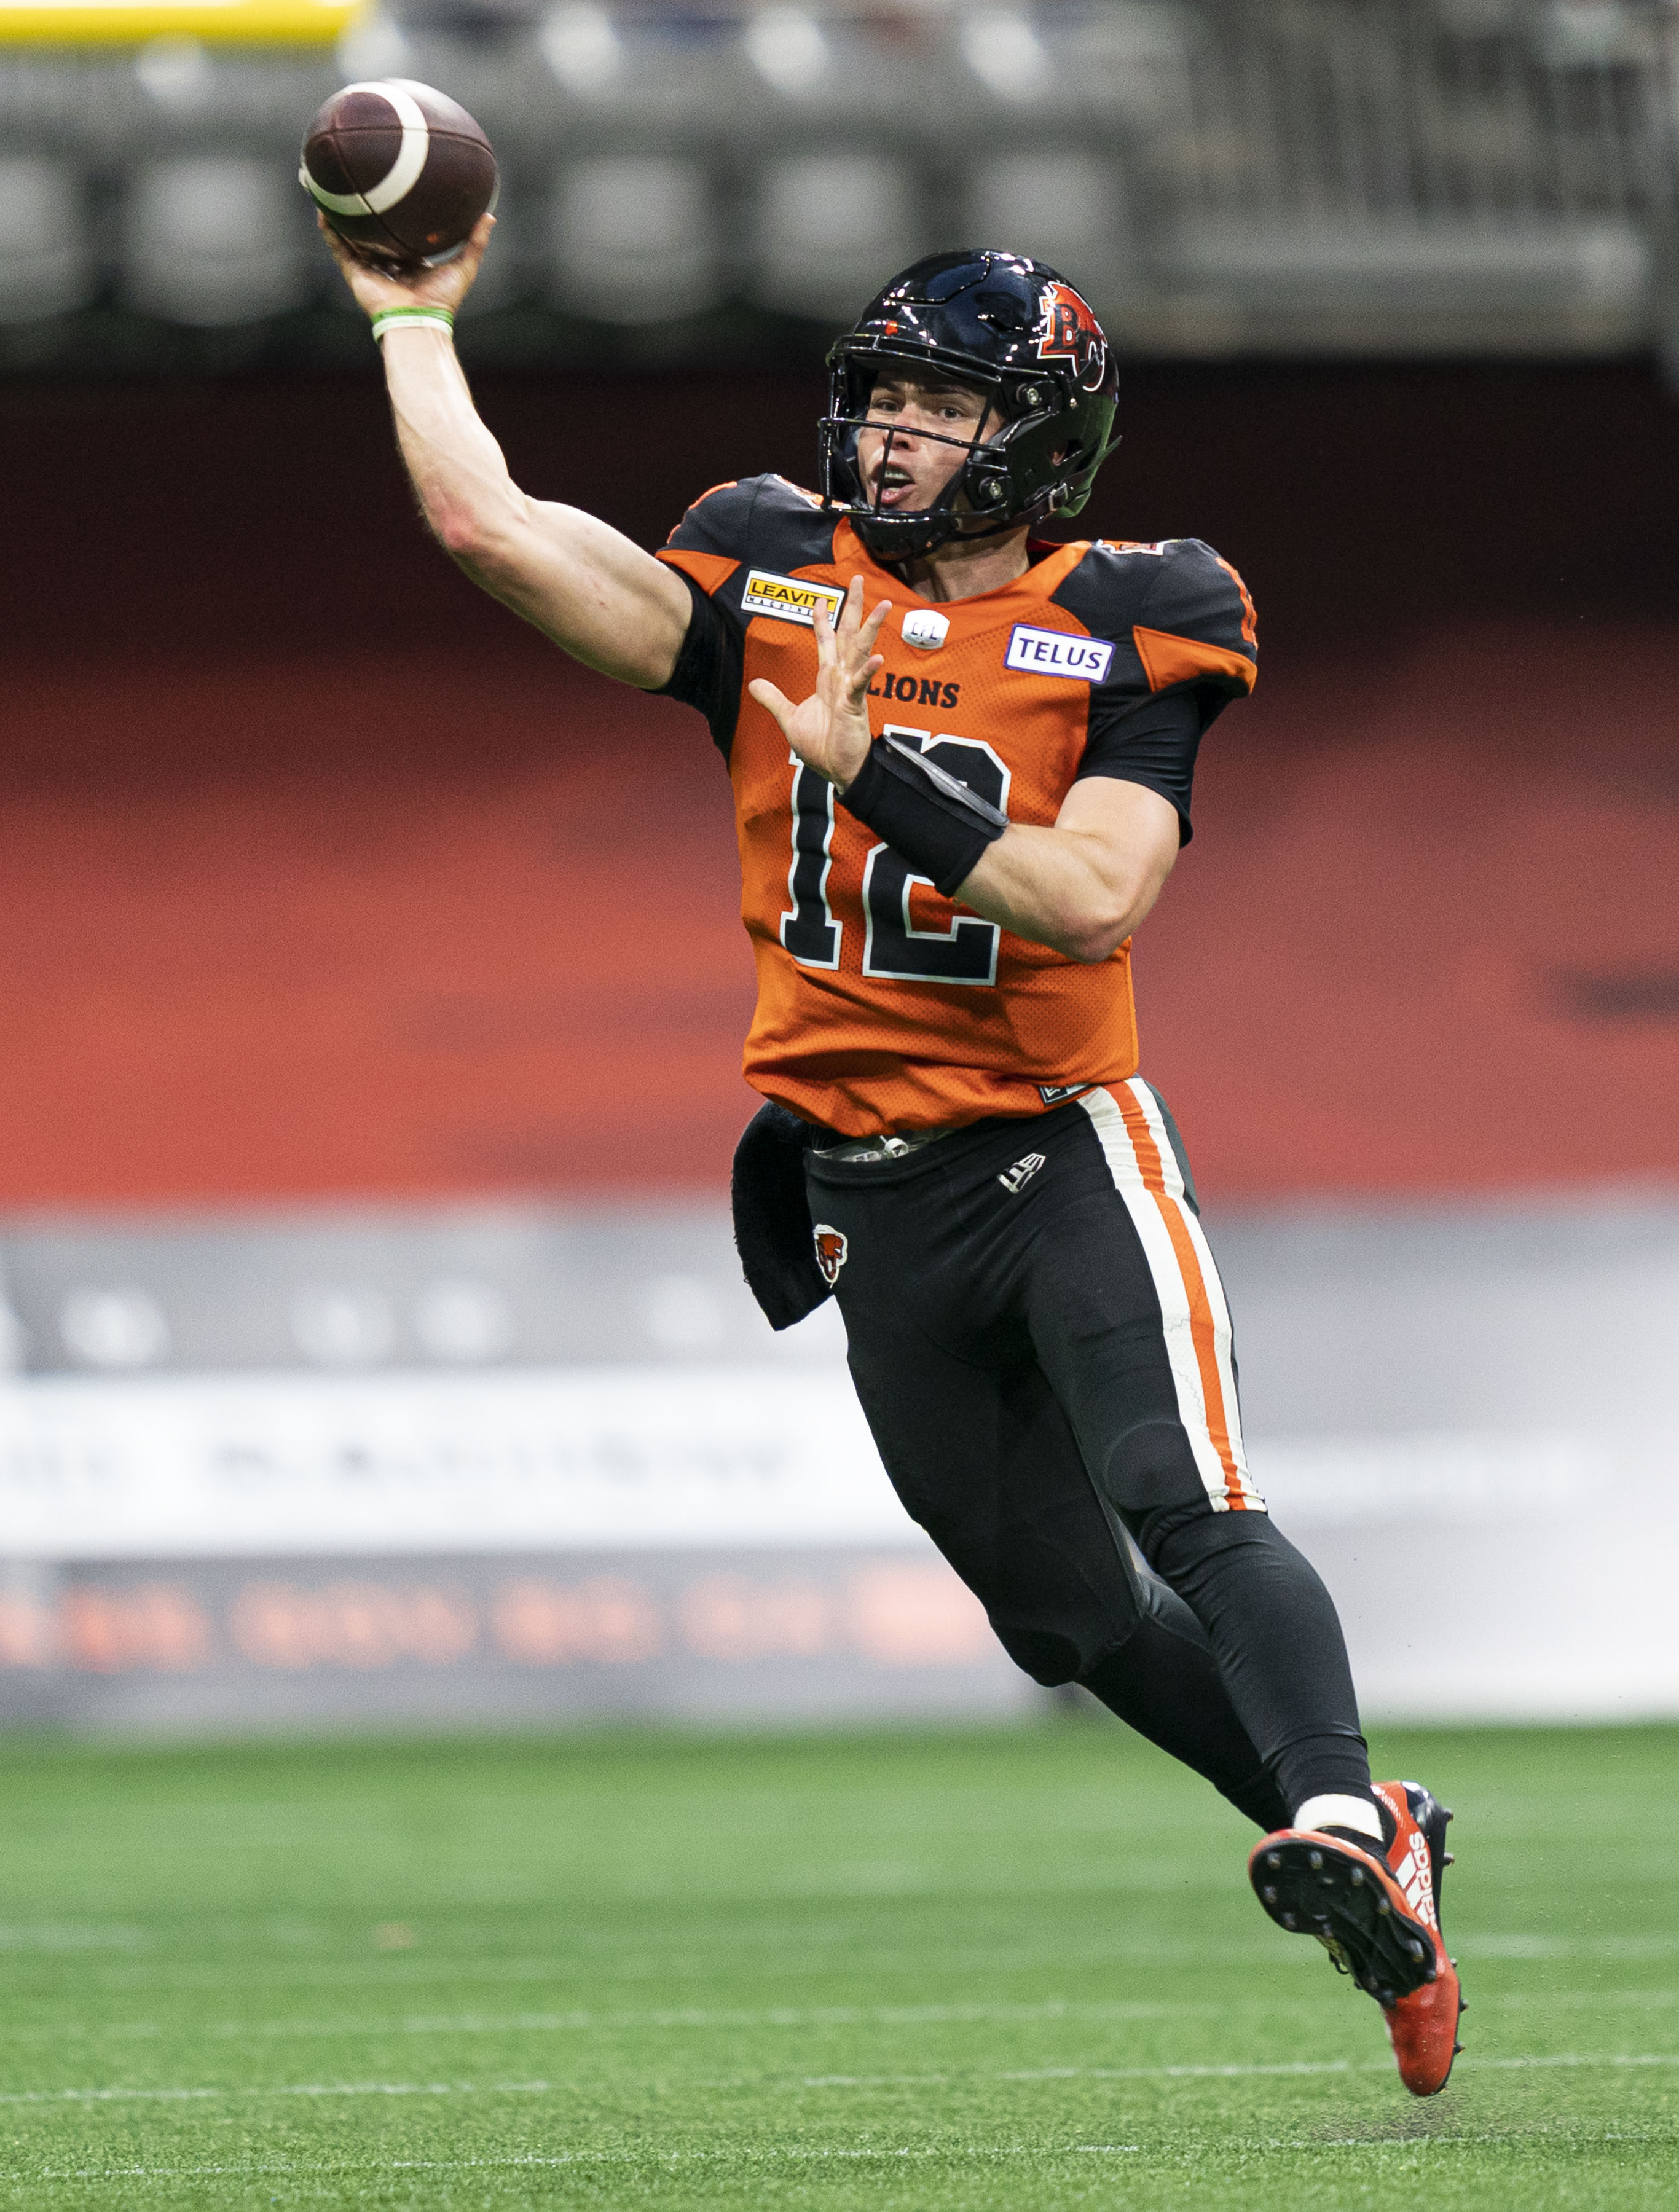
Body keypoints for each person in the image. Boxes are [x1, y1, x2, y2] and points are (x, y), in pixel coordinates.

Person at [324, 219, 1463, 2096]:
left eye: (947, 406)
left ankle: (1339, 1814)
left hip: (1059, 1148)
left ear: (1037, 440)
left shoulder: (1141, 606)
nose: (896, 435)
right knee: (1064, 1615)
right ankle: (1379, 1833)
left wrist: (882, 773)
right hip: (867, 1191)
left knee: (1183, 1499)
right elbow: (498, 532)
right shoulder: (774, 566)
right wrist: (409, 322)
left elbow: (1095, 899)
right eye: (888, 395)